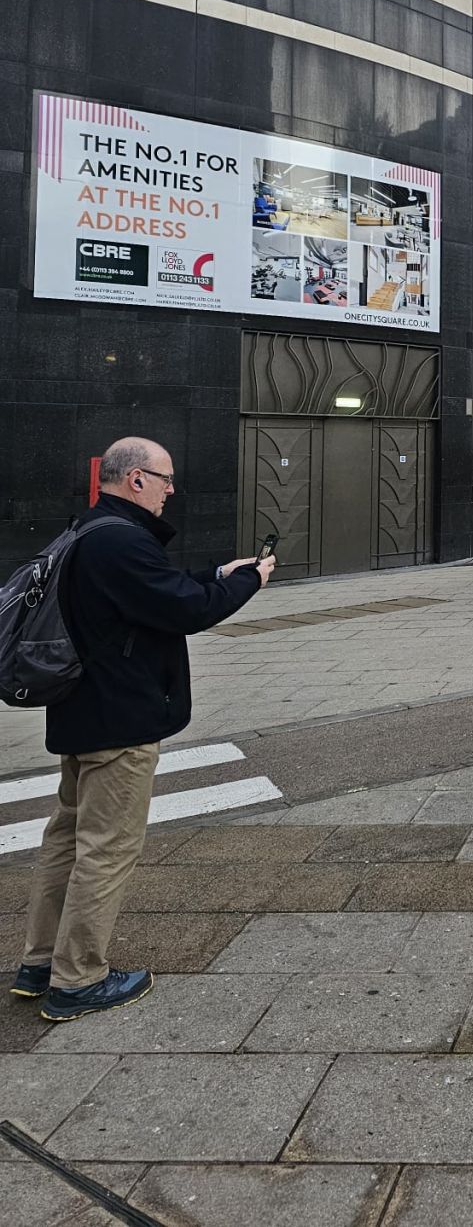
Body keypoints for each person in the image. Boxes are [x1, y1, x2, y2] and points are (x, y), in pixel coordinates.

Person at [10, 438, 273, 1022]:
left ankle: (40, 963)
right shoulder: (125, 541)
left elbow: (149, 598)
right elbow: (186, 610)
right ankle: (77, 980)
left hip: (81, 712)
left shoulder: (87, 533)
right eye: (165, 479)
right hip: (119, 720)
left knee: (66, 841)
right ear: (135, 480)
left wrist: (215, 573)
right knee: (106, 850)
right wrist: (248, 582)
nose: (170, 490)